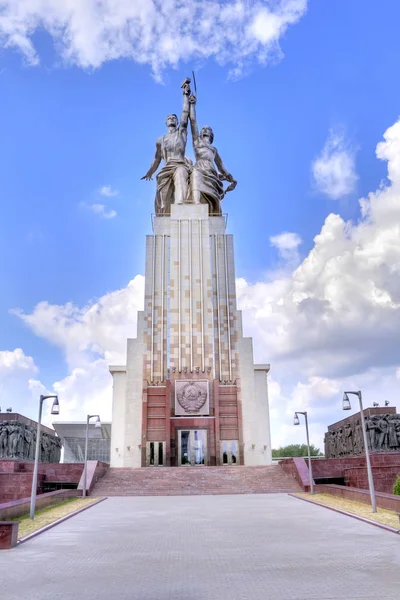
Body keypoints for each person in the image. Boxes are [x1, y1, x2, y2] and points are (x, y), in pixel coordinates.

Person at [141, 78, 192, 215]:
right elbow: (157, 159)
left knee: (181, 173)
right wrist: (150, 172)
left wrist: (185, 95)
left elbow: (185, 114)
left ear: (176, 121)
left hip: (180, 164)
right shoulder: (160, 140)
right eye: (169, 118)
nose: (172, 119)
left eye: (174, 118)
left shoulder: (181, 133)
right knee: (162, 199)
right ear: (166, 122)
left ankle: (181, 206)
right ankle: (165, 215)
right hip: (166, 168)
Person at [188, 94, 236, 215]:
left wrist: (229, 176)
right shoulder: (197, 142)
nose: (204, 130)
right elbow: (193, 122)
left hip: (211, 171)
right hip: (199, 167)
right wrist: (192, 105)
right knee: (195, 174)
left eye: (207, 129)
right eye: (203, 129)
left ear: (211, 135)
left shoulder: (214, 149)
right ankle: (196, 202)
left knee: (214, 199)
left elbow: (221, 166)